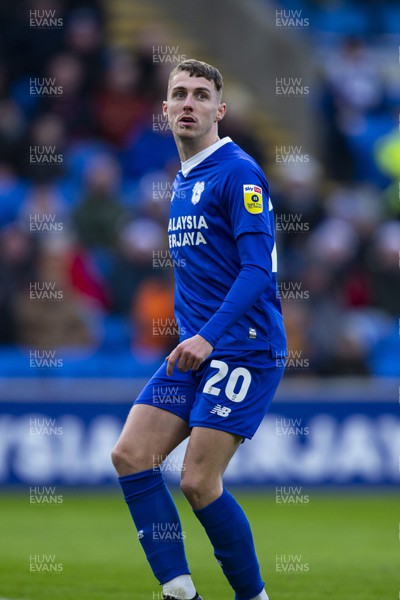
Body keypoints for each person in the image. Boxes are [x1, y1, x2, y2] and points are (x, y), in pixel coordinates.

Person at [111, 59, 287, 600]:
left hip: (243, 347)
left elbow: (259, 269)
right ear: (164, 109)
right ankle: (180, 589)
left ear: (219, 110)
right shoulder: (183, 179)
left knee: (197, 480)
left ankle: (253, 597)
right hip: (196, 350)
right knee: (131, 454)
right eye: (179, 94)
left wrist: (208, 334)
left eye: (201, 95)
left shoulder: (237, 172)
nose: (189, 103)